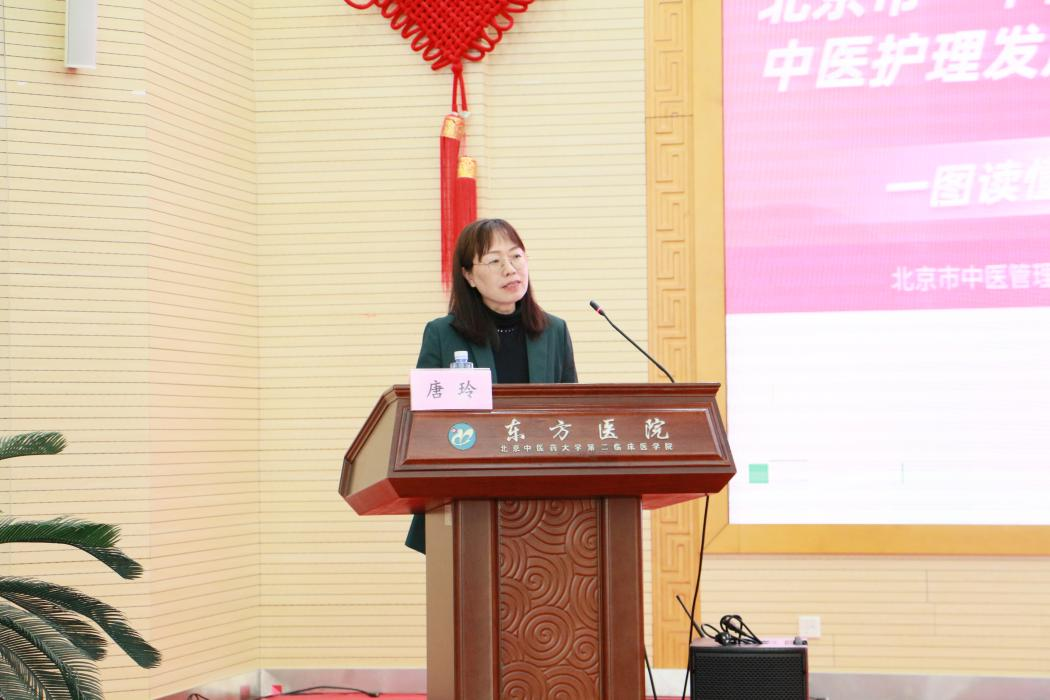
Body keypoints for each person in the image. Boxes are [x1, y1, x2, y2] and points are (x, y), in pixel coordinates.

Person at [406, 218, 577, 554]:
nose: (510, 269)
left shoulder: (554, 331)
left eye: (516, 256)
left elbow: (570, 416)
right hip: (465, 500)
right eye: (494, 261)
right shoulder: (443, 334)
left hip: (542, 504)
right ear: (469, 276)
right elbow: (423, 421)